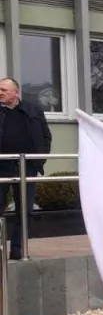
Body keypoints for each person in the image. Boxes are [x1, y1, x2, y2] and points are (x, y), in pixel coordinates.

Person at [0, 78, 51, 260]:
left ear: (16, 92)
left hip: (26, 167)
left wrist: (40, 160)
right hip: (2, 167)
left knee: (24, 210)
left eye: (4, 90)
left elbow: (45, 136)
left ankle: (17, 250)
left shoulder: (33, 110)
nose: (0, 93)